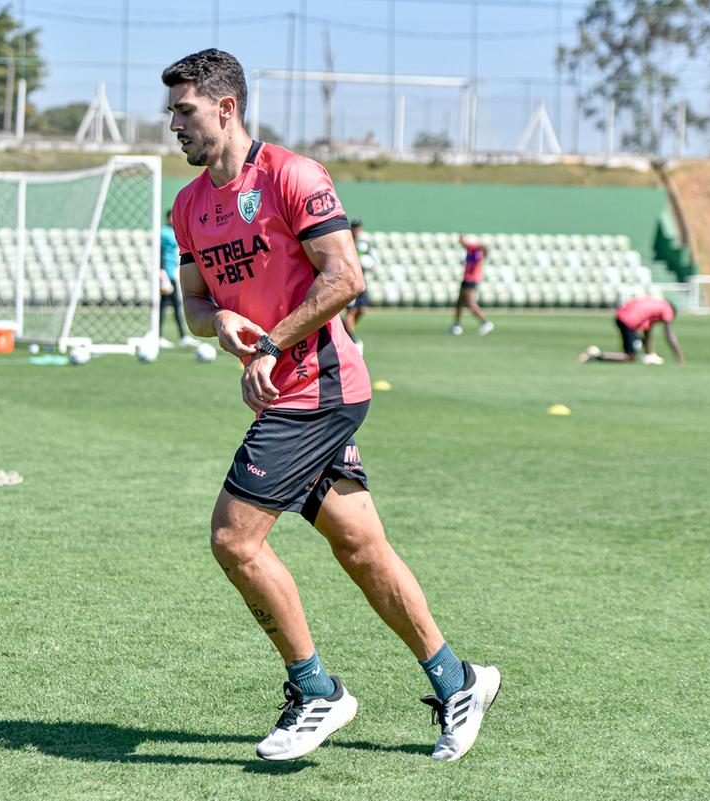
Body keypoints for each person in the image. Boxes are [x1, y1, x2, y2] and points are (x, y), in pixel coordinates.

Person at [163, 48, 499, 763]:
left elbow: (344, 277)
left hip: (320, 390)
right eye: (172, 112)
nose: (174, 126)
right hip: (283, 393)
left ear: (226, 108)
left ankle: (316, 690)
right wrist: (217, 323)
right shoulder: (188, 204)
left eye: (185, 111)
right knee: (359, 544)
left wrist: (266, 348)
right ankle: (458, 679)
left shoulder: (293, 175)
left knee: (234, 538)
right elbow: (193, 305)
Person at [579, 296, 684, 365]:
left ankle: (596, 355)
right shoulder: (667, 310)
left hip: (621, 316)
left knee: (635, 345)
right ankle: (596, 356)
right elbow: (670, 335)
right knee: (630, 356)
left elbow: (647, 332)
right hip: (628, 321)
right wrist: (679, 357)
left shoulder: (657, 303)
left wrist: (650, 353)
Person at [159, 208, 196, 347]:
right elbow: (159, 251)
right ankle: (161, 336)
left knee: (173, 305)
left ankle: (180, 336)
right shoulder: (163, 233)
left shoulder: (177, 231)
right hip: (166, 274)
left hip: (174, 272)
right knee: (166, 305)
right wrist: (161, 270)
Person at [450, 235, 494, 336]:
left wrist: (481, 259)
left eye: (462, 239)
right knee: (459, 303)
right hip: (467, 278)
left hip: (471, 279)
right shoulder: (469, 250)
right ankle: (457, 325)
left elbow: (482, 250)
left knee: (470, 303)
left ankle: (485, 322)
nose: (460, 242)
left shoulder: (473, 247)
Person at [341, 219, 370, 353]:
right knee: (351, 312)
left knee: (362, 309)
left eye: (358, 227)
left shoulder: (364, 245)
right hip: (350, 280)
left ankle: (346, 329)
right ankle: (353, 339)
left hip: (361, 280)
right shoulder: (346, 242)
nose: (357, 230)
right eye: (354, 227)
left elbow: (371, 259)